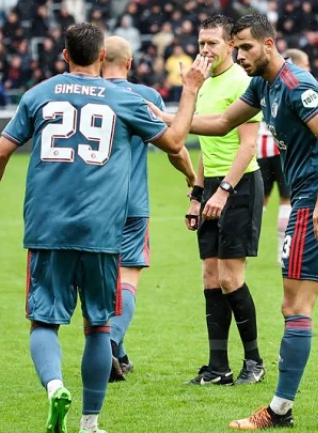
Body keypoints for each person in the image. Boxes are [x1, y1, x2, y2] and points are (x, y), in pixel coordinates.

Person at [148, 14, 318, 429]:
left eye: (246, 46)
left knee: (294, 306)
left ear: (269, 44)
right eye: (238, 47)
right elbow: (219, 124)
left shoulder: (294, 84)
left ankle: (280, 410)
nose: (240, 54)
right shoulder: (261, 84)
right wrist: (165, 118)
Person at [0, 23, 208, 433]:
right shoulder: (123, 97)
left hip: (47, 228)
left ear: (65, 55)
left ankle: (55, 386)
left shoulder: (38, 94)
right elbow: (174, 143)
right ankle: (90, 422)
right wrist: (189, 89)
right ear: (102, 58)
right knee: (99, 325)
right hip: (103, 229)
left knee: (44, 322)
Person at [101, 36, 197, 382]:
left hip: (89, 205)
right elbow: (173, 146)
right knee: (127, 279)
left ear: (98, 61)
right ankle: (109, 345)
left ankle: (119, 353)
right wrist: (190, 176)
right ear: (129, 64)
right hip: (131, 203)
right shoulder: (146, 97)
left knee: (101, 282)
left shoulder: (83, 94)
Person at [184, 14, 266, 386]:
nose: (205, 50)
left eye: (212, 43)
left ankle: (255, 362)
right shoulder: (202, 84)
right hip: (214, 187)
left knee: (231, 278)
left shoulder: (244, 83)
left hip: (241, 184)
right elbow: (207, 146)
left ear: (230, 45)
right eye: (201, 43)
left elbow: (248, 145)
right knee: (210, 276)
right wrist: (197, 193)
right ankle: (219, 367)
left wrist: (223, 190)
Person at [257, 49, 308, 266]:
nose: (308, 69)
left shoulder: (267, 84)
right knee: (286, 200)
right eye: (306, 64)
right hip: (282, 151)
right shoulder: (293, 84)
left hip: (260, 150)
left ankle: (245, 243)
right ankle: (282, 252)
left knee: (261, 200)